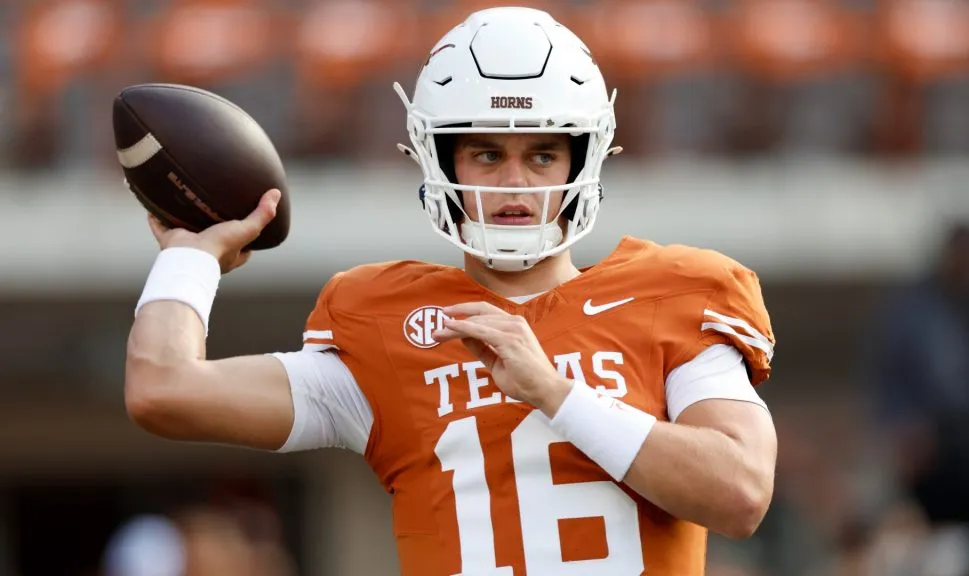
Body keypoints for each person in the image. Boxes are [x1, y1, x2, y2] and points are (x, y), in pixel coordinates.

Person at [124, 6, 778, 575]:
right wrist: (191, 260)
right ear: (441, 161)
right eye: (487, 155)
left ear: (583, 159)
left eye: (543, 154)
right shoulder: (388, 327)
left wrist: (554, 392)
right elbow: (163, 390)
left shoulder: (672, 295)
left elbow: (740, 492)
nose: (516, 183)